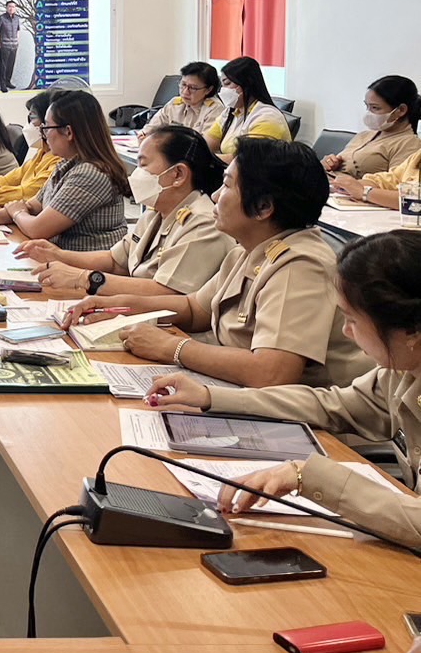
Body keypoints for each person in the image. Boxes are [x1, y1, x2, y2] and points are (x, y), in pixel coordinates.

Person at [146, 231, 421, 553]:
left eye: (352, 320)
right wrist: (210, 397)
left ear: (411, 330)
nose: (346, 332)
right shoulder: (401, 370)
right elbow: (333, 404)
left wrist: (309, 477)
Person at [62, 138, 368, 388]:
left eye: (228, 186)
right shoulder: (247, 250)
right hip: (245, 395)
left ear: (263, 207)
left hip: (318, 428)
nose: (216, 196)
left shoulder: (301, 265)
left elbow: (272, 372)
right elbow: (196, 309)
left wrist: (171, 348)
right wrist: (117, 306)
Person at [18, 124, 233, 296]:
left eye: (143, 165)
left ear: (178, 174)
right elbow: (116, 261)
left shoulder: (203, 223)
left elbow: (166, 292)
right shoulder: (156, 211)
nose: (136, 174)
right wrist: (58, 255)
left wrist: (84, 278)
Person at [0, 89, 130, 251]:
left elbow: (37, 229)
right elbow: (32, 205)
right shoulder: (67, 163)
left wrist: (16, 213)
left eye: (47, 128)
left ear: (68, 132)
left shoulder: (90, 173)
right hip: (62, 257)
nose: (44, 134)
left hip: (82, 262)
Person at [322, 75, 421, 179]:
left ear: (401, 110)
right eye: (367, 106)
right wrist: (328, 163)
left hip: (344, 188)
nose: (369, 113)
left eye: (375, 108)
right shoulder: (364, 135)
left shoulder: (409, 144)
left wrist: (353, 184)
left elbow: (396, 184)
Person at [205, 56, 291, 161]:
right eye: (222, 85)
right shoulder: (230, 113)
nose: (223, 90)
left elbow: (245, 160)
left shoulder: (267, 117)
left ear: (246, 84)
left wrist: (204, 159)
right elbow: (207, 145)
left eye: (227, 83)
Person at [140, 61, 222, 138]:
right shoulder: (174, 104)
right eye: (183, 84)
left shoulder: (215, 109)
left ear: (208, 90)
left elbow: (206, 143)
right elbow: (151, 129)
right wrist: (144, 135)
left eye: (193, 88)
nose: (185, 91)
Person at [0, 0, 24, 92]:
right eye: (9, 6)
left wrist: (17, 41)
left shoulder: (17, 18)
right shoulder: (1, 18)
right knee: (3, 66)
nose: (11, 8)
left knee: (11, 65)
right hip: (4, 45)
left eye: (13, 7)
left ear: (15, 8)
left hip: (14, 45)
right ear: (6, 7)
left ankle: (8, 82)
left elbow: (18, 30)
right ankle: (3, 85)